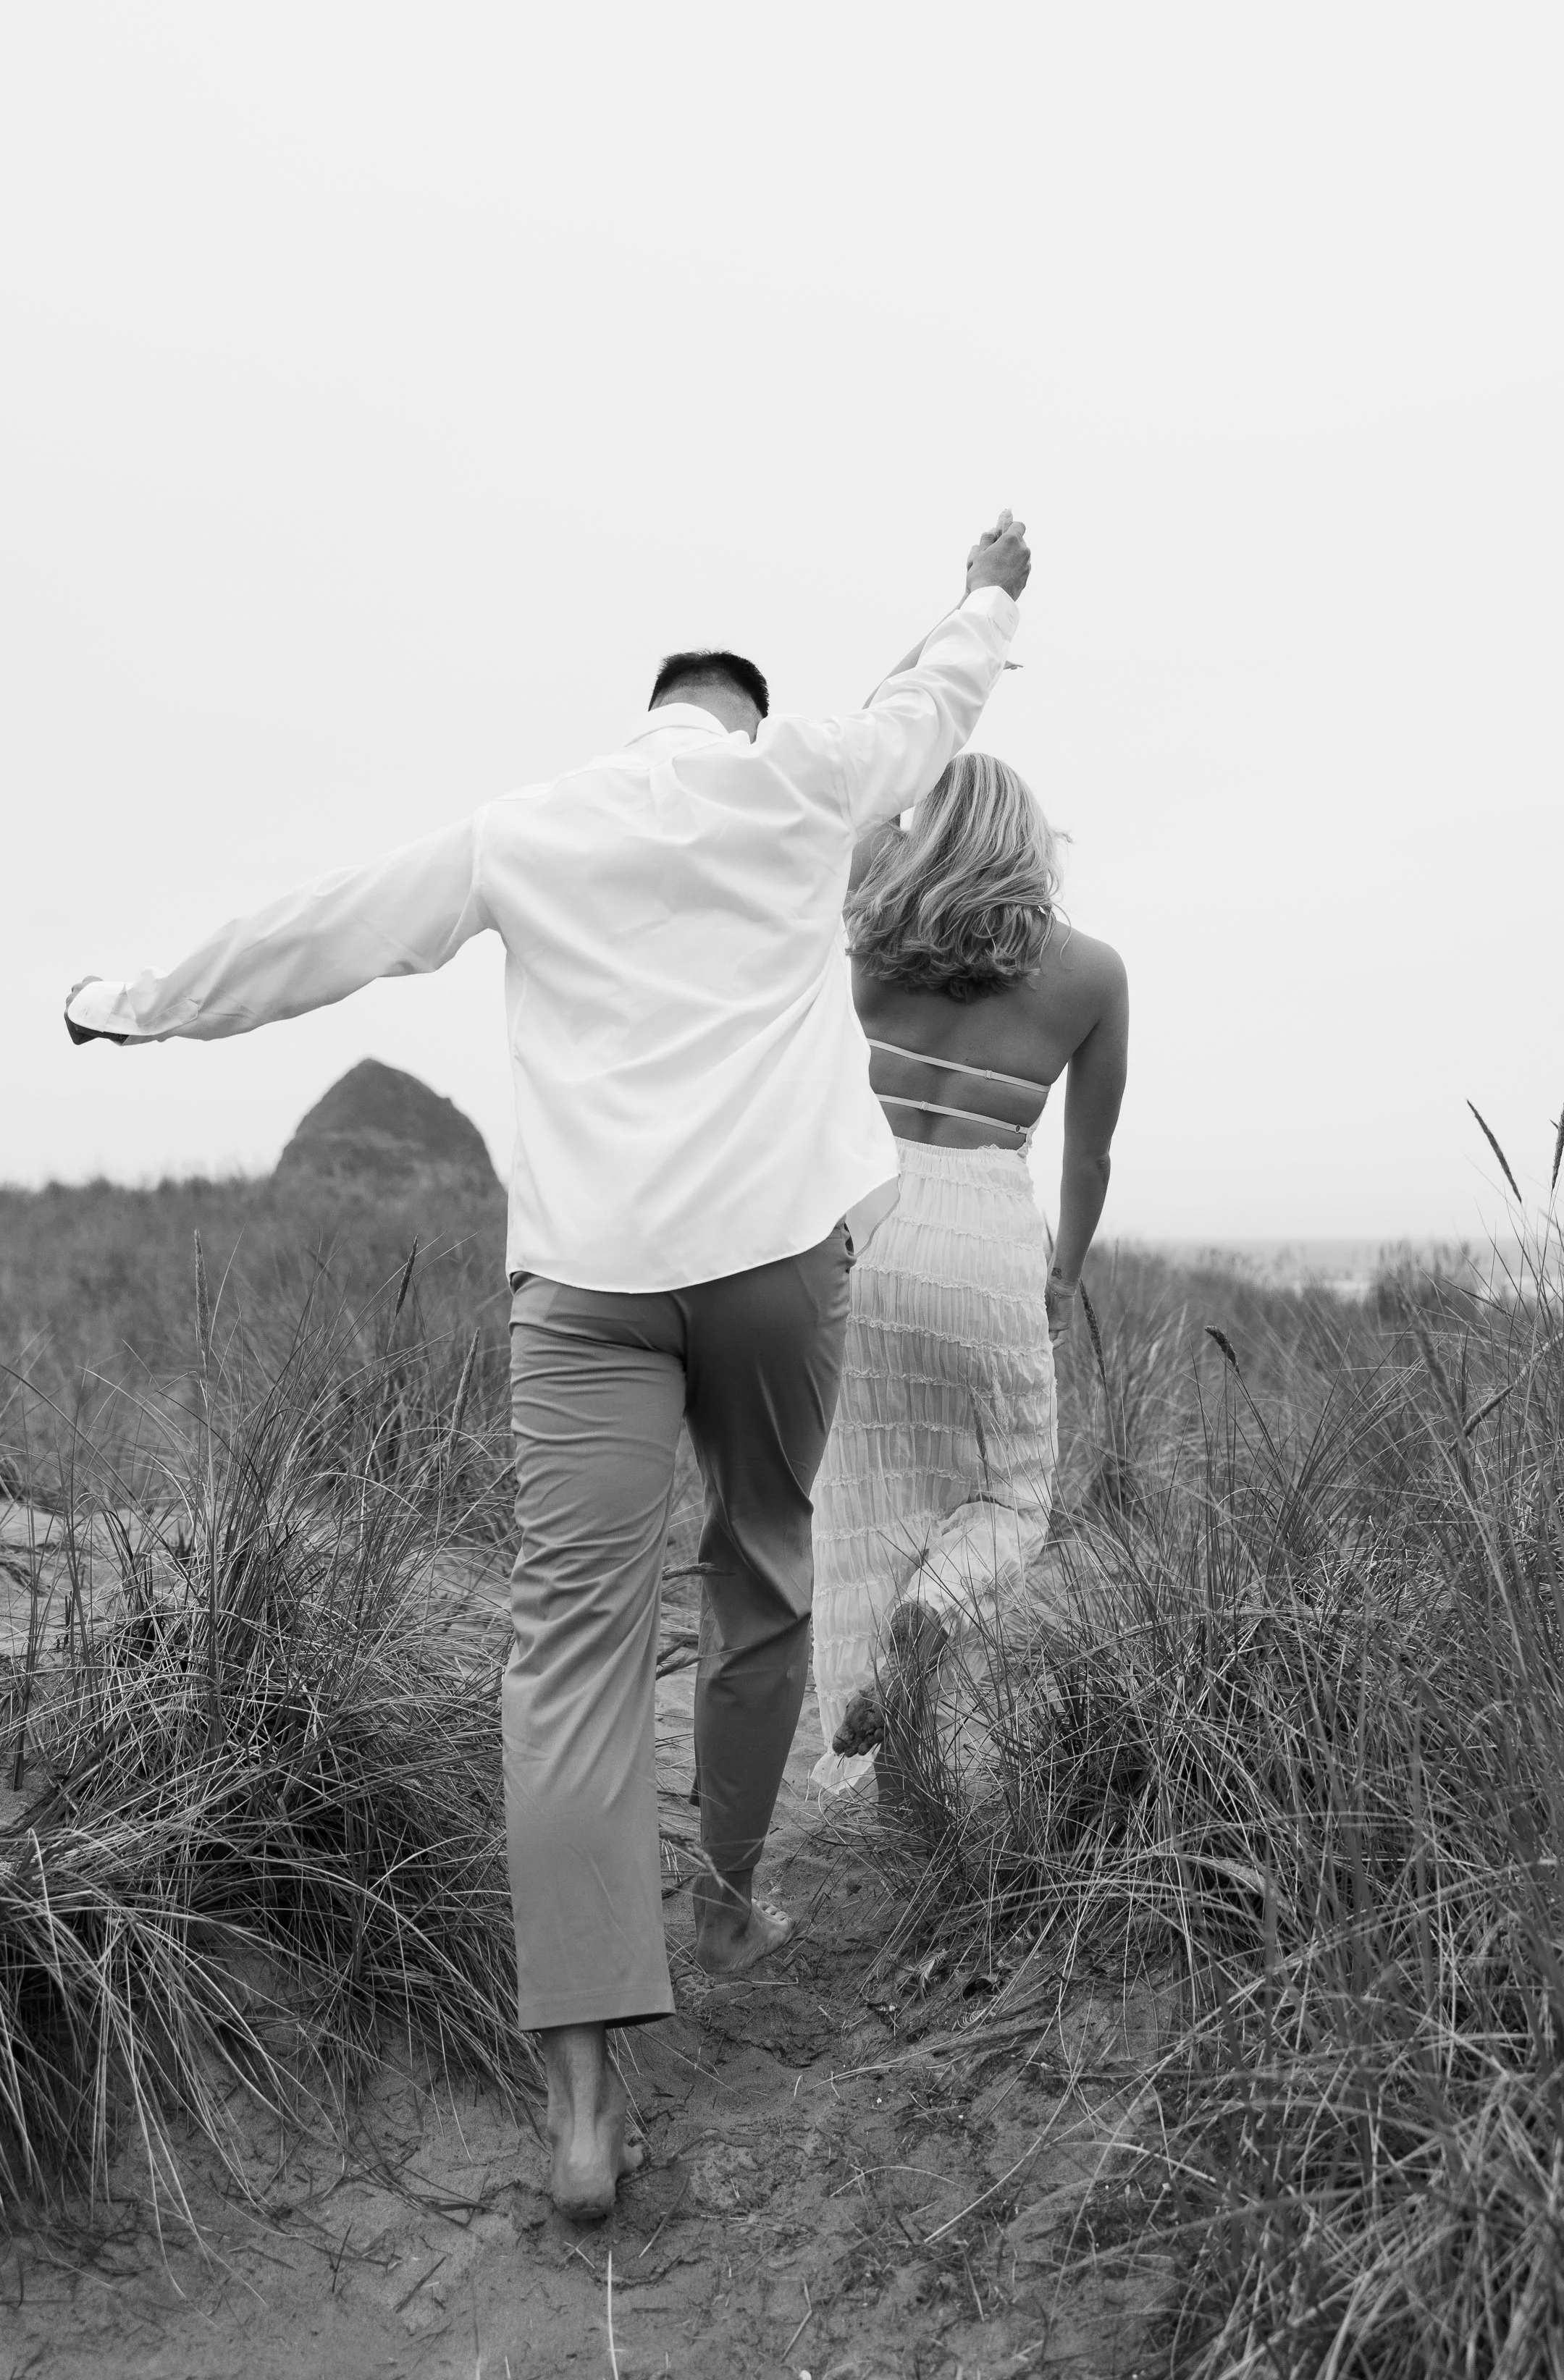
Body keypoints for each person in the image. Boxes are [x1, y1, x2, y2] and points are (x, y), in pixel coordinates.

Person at [63, 509, 1033, 2219]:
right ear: (740, 710)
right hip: (773, 1263)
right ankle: (729, 1890)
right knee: (761, 1560)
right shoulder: (805, 771)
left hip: (585, 1288)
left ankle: (585, 2106)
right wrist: (987, 589)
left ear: (650, 713)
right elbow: (938, 700)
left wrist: (133, 1001)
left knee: (568, 1661)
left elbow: (326, 930)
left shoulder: (535, 825)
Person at [808, 746, 1128, 1799]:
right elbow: (1087, 1157)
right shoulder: (1090, 972)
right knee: (1008, 1498)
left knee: (866, 1492)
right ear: (1033, 846)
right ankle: (932, 1614)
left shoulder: (873, 930)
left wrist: (961, 624)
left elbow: (859, 774)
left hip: (868, 1223)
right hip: (988, 1233)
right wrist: (1064, 1276)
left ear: (925, 831)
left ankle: (888, 1746)